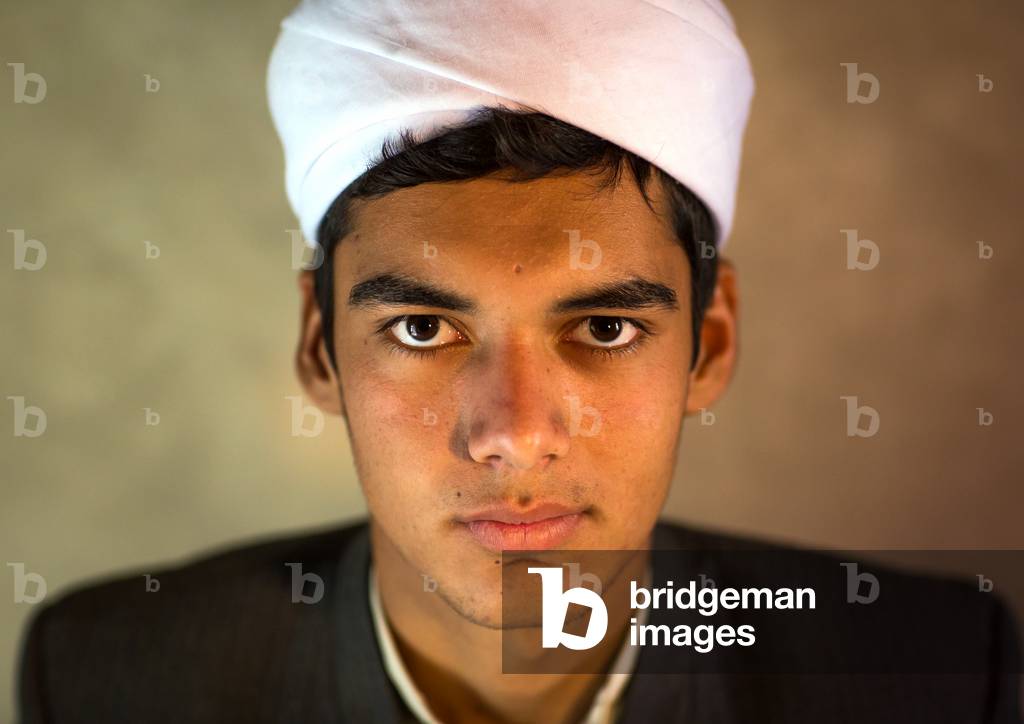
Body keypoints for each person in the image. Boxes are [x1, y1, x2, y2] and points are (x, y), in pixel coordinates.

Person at [17, 1, 1022, 722]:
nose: (516, 429)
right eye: (421, 328)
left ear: (708, 345)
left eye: (602, 328)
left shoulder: (928, 672)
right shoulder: (115, 675)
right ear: (320, 348)